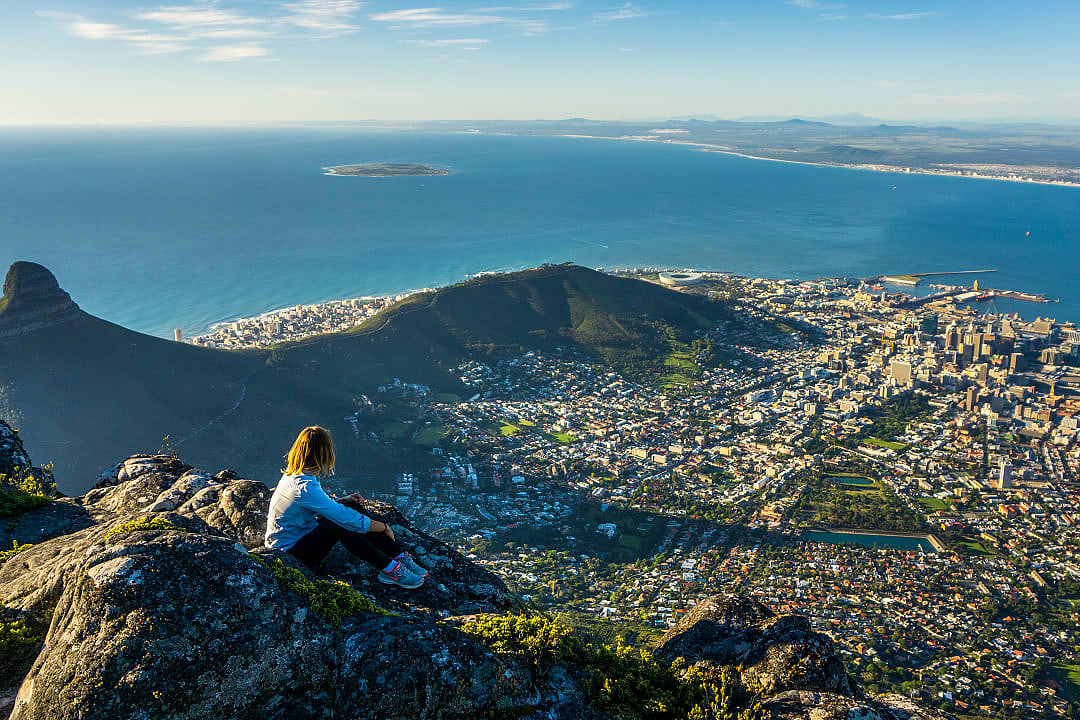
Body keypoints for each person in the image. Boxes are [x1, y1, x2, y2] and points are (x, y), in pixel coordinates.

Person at [265, 425, 427, 589]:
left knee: (350, 505)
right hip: (288, 555)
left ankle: (398, 555)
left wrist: (344, 501)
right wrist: (383, 527)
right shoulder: (304, 486)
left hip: (298, 538)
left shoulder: (297, 475)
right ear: (324, 453)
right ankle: (390, 569)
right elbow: (345, 519)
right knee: (339, 523)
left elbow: (319, 507)